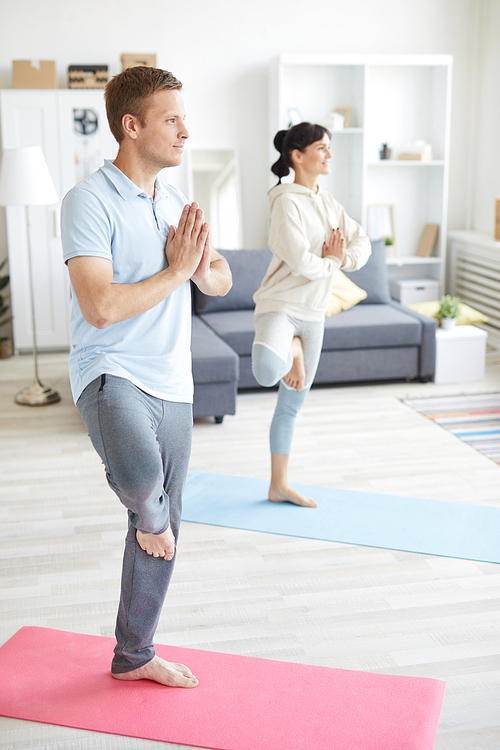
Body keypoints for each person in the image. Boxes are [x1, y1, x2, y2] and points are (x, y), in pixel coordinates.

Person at [61, 66, 232, 687]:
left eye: (185, 118)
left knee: (165, 524)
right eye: (172, 119)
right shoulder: (89, 201)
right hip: (109, 370)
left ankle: (134, 655)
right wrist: (176, 270)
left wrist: (196, 265)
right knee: (141, 486)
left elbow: (219, 278)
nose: (186, 130)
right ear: (131, 126)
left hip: (173, 382)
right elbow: (100, 307)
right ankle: (149, 516)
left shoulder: (172, 204)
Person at [252, 122, 371, 508]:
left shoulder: (329, 202)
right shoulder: (285, 201)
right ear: (297, 156)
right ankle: (294, 349)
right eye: (322, 147)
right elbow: (301, 261)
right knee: (267, 371)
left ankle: (279, 485)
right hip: (282, 306)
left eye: (329, 147)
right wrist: (332, 262)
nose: (329, 155)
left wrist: (340, 259)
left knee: (291, 405)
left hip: (313, 314)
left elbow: (362, 242)